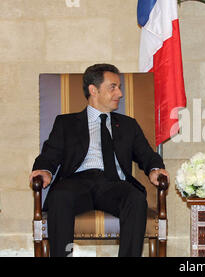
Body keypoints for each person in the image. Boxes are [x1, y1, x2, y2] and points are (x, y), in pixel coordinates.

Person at [29, 63, 169, 257]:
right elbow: (50, 154)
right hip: (76, 182)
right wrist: (44, 170)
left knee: (136, 199)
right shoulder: (66, 123)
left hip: (114, 185)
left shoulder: (128, 125)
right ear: (93, 90)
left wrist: (155, 168)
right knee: (59, 197)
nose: (120, 93)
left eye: (119, 87)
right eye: (113, 87)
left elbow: (147, 154)